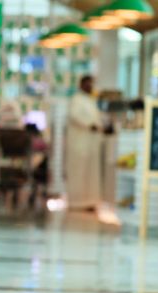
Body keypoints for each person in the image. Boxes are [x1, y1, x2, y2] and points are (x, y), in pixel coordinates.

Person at [65, 75, 103, 211]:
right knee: (78, 172)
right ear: (81, 85)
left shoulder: (91, 101)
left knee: (90, 173)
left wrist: (99, 127)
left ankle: (89, 201)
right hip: (79, 144)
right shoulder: (76, 100)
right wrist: (89, 125)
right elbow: (75, 116)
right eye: (87, 84)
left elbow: (96, 119)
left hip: (91, 143)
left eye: (91, 84)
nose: (90, 87)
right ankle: (76, 201)